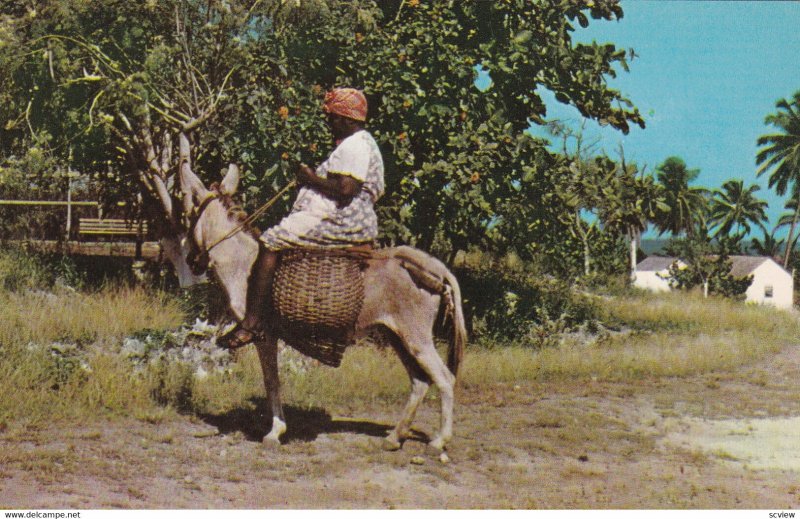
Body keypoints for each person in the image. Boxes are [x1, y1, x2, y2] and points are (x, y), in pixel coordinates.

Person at [218, 87, 385, 349]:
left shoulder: (356, 146)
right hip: (341, 215)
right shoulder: (359, 143)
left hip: (342, 218)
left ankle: (251, 324)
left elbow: (345, 190)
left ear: (348, 119)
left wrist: (309, 178)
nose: (329, 123)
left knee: (270, 242)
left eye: (333, 118)